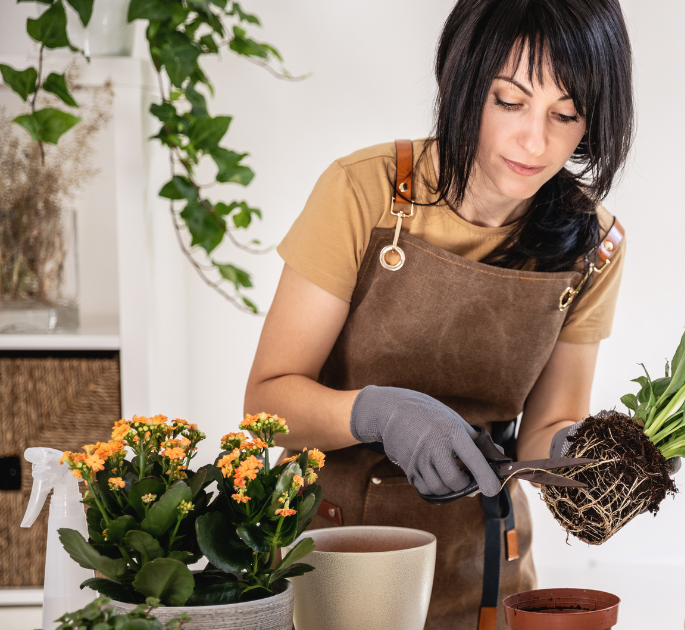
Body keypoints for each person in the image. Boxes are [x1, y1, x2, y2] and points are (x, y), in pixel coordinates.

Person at [243, 0, 633, 628]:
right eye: (510, 101)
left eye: (567, 114)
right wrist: (377, 412)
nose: (536, 141)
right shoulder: (363, 193)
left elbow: (547, 427)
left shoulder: (594, 244)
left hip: (486, 568)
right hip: (338, 559)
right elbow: (267, 408)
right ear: (463, 82)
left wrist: (582, 458)